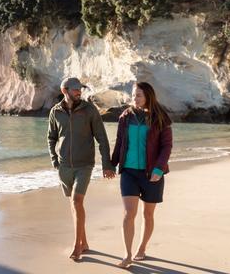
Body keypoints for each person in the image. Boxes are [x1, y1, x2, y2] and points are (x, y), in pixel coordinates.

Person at [47, 77, 115, 261]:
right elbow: (51, 138)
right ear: (65, 90)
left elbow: (101, 138)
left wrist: (107, 165)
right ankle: (84, 242)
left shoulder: (89, 110)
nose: (79, 92)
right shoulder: (55, 112)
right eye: (76, 89)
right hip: (64, 167)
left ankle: (77, 246)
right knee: (74, 204)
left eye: (81, 89)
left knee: (77, 201)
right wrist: (55, 161)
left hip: (84, 165)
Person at [110, 82, 173, 268]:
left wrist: (158, 169)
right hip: (129, 172)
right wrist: (110, 164)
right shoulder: (125, 117)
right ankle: (127, 254)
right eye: (133, 95)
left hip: (151, 173)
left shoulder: (160, 117)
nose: (134, 98)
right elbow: (120, 142)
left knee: (148, 214)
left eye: (138, 95)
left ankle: (142, 247)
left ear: (148, 97)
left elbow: (166, 146)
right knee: (129, 213)